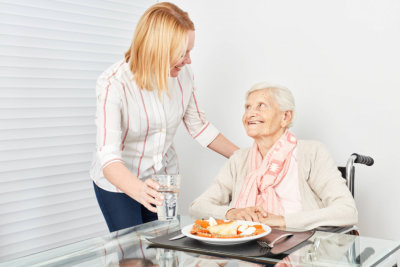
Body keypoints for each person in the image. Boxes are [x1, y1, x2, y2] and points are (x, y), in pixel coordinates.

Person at [90, 2, 238, 232]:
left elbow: (199, 126)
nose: (188, 60)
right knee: (133, 257)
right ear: (158, 49)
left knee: (163, 250)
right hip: (120, 182)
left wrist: (245, 159)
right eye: (182, 53)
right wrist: (139, 190)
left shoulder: (183, 75)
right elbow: (109, 160)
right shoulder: (114, 84)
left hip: (164, 178)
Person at [189, 82, 358, 230]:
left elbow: (347, 211)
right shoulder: (239, 159)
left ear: (285, 117)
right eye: (247, 107)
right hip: (245, 247)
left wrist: (282, 221)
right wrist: (232, 213)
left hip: (300, 248)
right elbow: (198, 207)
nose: (250, 113)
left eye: (261, 106)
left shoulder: (312, 153)